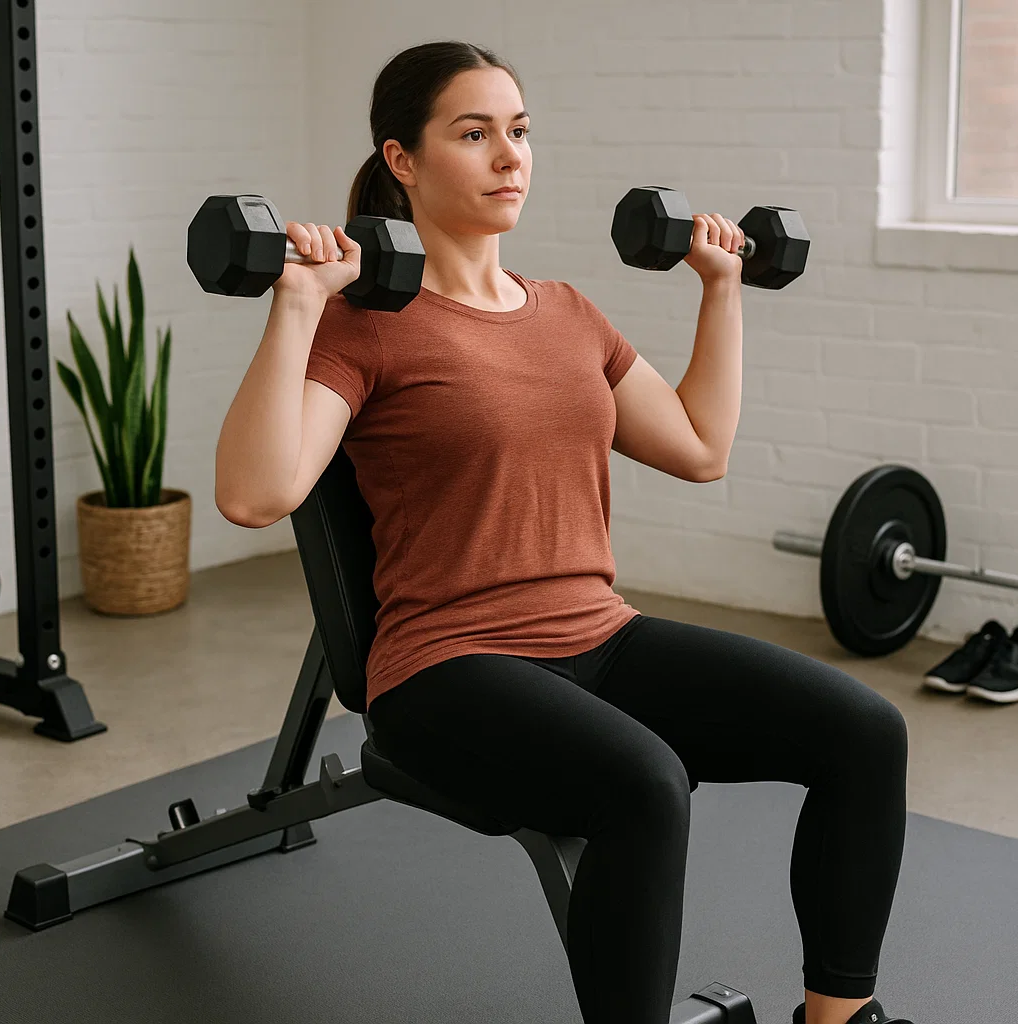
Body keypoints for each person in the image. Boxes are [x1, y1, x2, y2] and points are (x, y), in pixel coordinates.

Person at [214, 39, 913, 1024]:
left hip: (599, 634)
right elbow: (254, 494)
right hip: (447, 665)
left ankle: (838, 1020)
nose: (510, 156)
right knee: (645, 784)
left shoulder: (569, 315)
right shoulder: (365, 324)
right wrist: (293, 305)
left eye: (520, 132)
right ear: (404, 160)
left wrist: (721, 290)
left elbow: (702, 446)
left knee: (865, 731)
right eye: (473, 133)